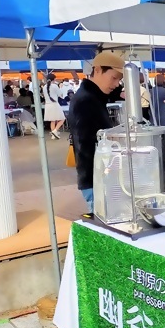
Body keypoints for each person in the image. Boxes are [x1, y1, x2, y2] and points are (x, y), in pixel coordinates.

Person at [68, 52, 125, 212]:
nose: (116, 84)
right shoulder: (86, 100)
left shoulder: (93, 97)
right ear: (98, 70)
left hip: (100, 177)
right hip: (97, 178)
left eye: (119, 80)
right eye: (114, 78)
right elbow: (85, 143)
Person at [42, 73, 66, 139]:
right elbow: (61, 95)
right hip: (54, 104)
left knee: (52, 120)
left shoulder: (44, 87)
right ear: (54, 79)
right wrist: (60, 88)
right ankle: (55, 131)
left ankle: (53, 135)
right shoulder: (55, 86)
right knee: (62, 119)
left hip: (48, 105)